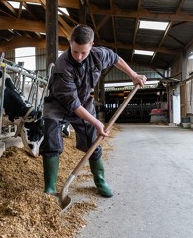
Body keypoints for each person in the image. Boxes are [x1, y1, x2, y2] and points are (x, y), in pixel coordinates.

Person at [40, 24, 147, 198]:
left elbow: (115, 58)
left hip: (84, 103)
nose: (80, 57)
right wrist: (97, 122)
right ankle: (50, 188)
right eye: (75, 52)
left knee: (93, 142)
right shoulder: (62, 66)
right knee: (51, 141)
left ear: (91, 45)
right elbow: (72, 104)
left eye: (84, 52)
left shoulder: (99, 54)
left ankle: (100, 180)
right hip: (58, 106)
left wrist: (133, 75)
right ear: (70, 42)